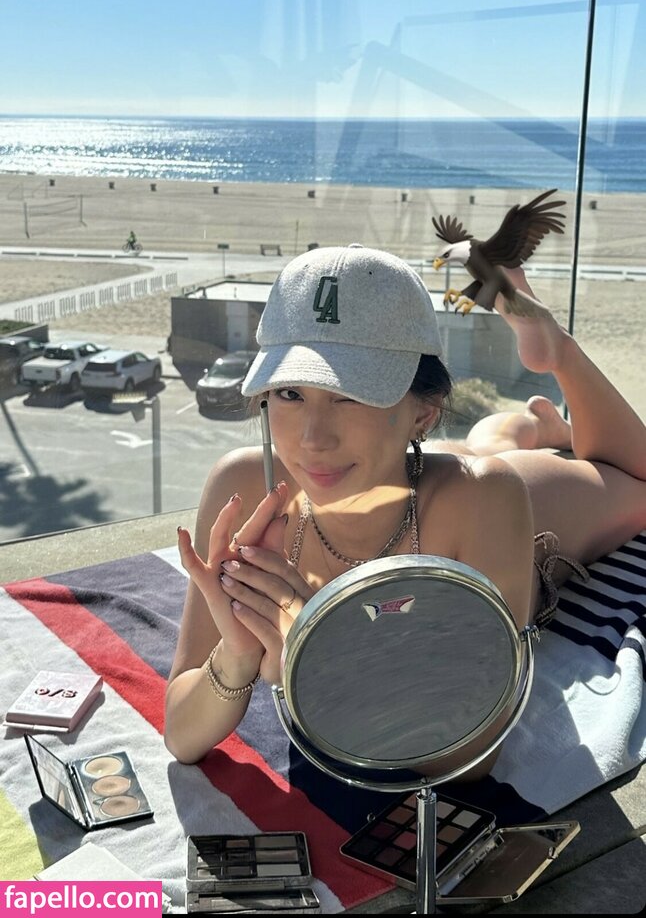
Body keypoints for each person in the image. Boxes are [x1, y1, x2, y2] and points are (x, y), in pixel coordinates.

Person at [165, 244, 646, 767]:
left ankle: (556, 352)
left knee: (637, 487)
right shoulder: (242, 488)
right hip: (405, 462)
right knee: (488, 442)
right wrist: (235, 657)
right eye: (290, 394)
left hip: (506, 500)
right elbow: (181, 735)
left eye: (351, 396)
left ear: (425, 411)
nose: (312, 439)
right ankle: (536, 425)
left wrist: (320, 669)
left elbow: (472, 754)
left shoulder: (487, 498)